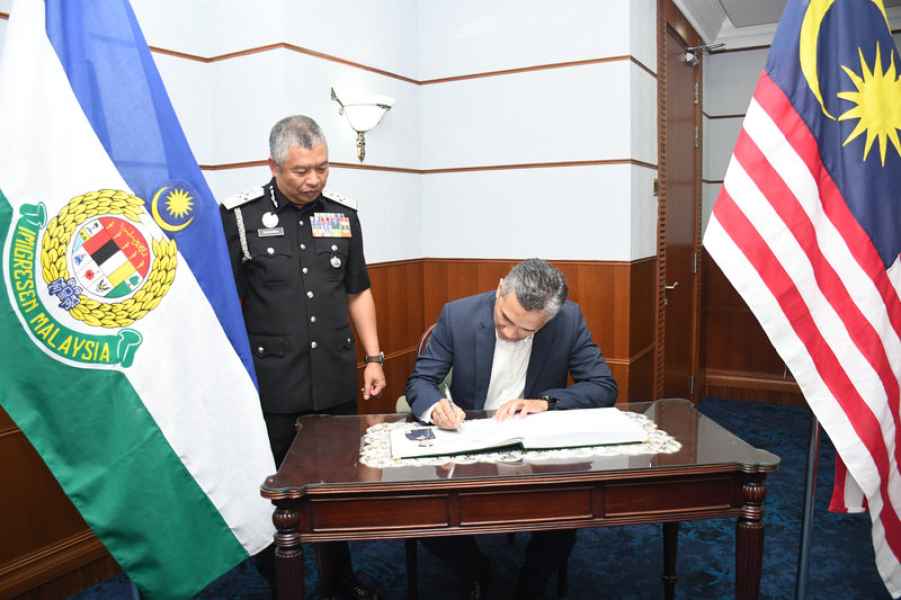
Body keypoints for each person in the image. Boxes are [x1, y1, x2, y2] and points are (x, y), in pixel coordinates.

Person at [220, 115, 386, 600]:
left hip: (332, 378)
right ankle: (283, 583)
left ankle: (338, 581)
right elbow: (224, 301)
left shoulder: (342, 215)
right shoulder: (240, 218)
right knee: (274, 492)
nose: (314, 179)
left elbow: (358, 289)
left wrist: (374, 357)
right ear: (272, 166)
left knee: (334, 487)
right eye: (301, 170)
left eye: (322, 167)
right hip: (273, 383)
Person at [405, 258, 618, 600]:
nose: (510, 333)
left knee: (571, 506)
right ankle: (476, 568)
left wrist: (545, 402)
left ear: (548, 318)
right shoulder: (458, 315)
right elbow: (420, 382)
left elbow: (603, 387)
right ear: (501, 287)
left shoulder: (568, 320)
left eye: (526, 330)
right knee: (420, 512)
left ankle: (532, 583)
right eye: (505, 319)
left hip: (534, 448)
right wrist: (437, 407)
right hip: (469, 441)